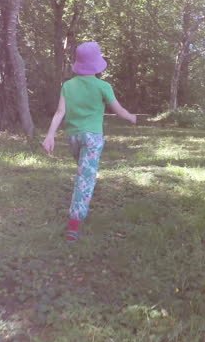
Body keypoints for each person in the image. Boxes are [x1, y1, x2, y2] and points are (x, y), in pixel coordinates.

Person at [42, 42, 137, 241]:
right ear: (97, 64)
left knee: (83, 174)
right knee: (85, 179)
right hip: (93, 137)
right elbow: (118, 110)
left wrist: (50, 134)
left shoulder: (68, 86)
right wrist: (130, 117)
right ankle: (74, 226)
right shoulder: (103, 86)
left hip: (73, 136)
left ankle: (80, 205)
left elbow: (60, 112)